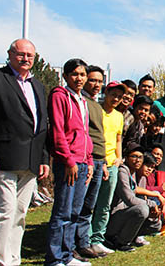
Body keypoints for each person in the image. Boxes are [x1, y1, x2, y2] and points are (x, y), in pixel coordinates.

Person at [0, 39, 50, 266]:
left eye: (30, 56)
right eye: (21, 54)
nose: (25, 59)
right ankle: (1, 262)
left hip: (31, 160)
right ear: (10, 54)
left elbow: (42, 124)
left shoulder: (37, 85)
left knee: (20, 215)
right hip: (3, 158)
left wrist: (44, 157)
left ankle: (14, 260)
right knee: (3, 214)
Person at [46, 58, 94, 266]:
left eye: (83, 74)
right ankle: (55, 258)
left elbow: (85, 134)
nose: (79, 78)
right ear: (65, 76)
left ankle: (68, 254)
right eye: (75, 74)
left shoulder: (82, 100)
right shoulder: (60, 96)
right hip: (69, 163)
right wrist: (68, 160)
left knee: (75, 212)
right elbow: (58, 131)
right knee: (62, 212)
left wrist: (89, 160)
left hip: (83, 163)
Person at [89, 81, 126, 256]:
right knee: (90, 203)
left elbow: (119, 139)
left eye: (120, 96)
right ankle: (84, 238)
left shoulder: (119, 116)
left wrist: (118, 158)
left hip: (112, 164)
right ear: (106, 93)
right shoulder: (96, 110)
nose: (116, 98)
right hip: (95, 161)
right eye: (113, 95)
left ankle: (97, 239)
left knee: (105, 204)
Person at [75, 65, 107, 259]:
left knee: (89, 205)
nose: (96, 84)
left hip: (98, 161)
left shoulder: (96, 104)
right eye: (93, 80)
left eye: (99, 81)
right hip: (84, 160)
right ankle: (70, 246)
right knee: (76, 205)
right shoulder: (81, 102)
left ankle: (83, 243)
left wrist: (102, 162)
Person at [106, 145, 157, 252]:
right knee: (142, 209)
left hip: (126, 214)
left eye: (140, 157)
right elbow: (129, 199)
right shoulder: (122, 172)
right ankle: (120, 242)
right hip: (114, 217)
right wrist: (151, 203)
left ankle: (133, 236)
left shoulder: (136, 174)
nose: (137, 160)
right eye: (134, 156)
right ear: (126, 157)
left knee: (156, 223)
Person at [133, 153, 165, 244]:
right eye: (147, 166)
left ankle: (138, 234)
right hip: (129, 209)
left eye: (152, 167)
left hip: (144, 203)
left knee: (157, 224)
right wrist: (155, 198)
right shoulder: (132, 174)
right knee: (144, 208)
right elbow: (135, 191)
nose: (149, 169)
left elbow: (145, 195)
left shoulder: (144, 177)